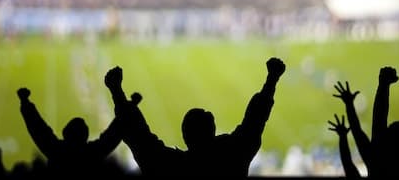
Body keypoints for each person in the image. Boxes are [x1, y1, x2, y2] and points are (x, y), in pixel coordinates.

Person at [106, 58, 286, 177]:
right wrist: (272, 79)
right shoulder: (233, 155)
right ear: (213, 131)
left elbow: (138, 137)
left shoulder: (170, 166)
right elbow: (255, 120)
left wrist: (116, 90)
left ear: (185, 136)